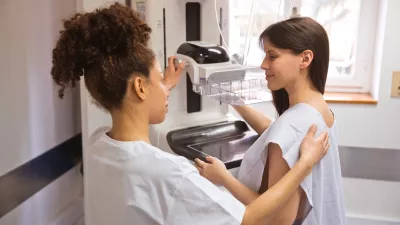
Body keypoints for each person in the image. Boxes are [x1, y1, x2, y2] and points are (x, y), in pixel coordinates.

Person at [51, 3, 330, 225]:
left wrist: (163, 86)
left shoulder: (98, 144)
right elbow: (251, 219)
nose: (166, 85)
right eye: (160, 79)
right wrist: (305, 164)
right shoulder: (172, 175)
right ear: (139, 88)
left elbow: (133, 109)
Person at [195, 17, 346, 225]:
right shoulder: (319, 108)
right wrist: (234, 100)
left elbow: (279, 219)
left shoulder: (292, 125)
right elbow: (275, 130)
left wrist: (224, 178)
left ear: (305, 59)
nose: (263, 64)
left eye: (272, 56)